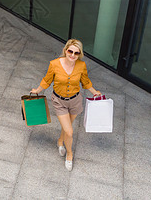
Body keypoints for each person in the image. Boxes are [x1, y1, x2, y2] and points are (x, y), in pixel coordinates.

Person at [30, 39, 101, 171]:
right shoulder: (54, 64)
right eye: (70, 51)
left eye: (76, 53)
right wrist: (37, 90)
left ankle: (60, 142)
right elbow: (47, 80)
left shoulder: (81, 65)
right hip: (59, 101)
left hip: (75, 101)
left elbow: (85, 81)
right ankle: (69, 154)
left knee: (67, 127)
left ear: (79, 54)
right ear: (65, 50)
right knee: (69, 130)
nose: (72, 55)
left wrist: (94, 92)